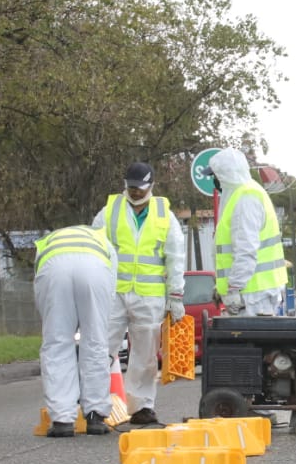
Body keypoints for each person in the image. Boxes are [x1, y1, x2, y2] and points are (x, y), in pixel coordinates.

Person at [93, 161, 186, 427]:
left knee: (145, 354)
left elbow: (175, 257)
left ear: (151, 186)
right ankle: (94, 408)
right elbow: (95, 246)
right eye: (131, 188)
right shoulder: (110, 211)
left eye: (140, 188)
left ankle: (142, 407)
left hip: (149, 296)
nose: (134, 193)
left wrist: (176, 296)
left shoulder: (164, 215)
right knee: (101, 348)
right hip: (113, 293)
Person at [33, 225, 118, 437]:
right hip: (95, 269)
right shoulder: (103, 240)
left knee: (57, 344)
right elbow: (111, 291)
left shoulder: (47, 242)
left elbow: (40, 294)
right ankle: (96, 417)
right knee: (96, 342)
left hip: (54, 269)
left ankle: (62, 420)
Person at [209, 147, 288, 316]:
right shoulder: (245, 194)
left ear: (225, 175)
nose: (215, 180)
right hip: (252, 292)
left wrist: (233, 288)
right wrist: (222, 287)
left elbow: (246, 250)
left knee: (249, 341)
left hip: (252, 295)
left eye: (215, 175)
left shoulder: (246, 199)